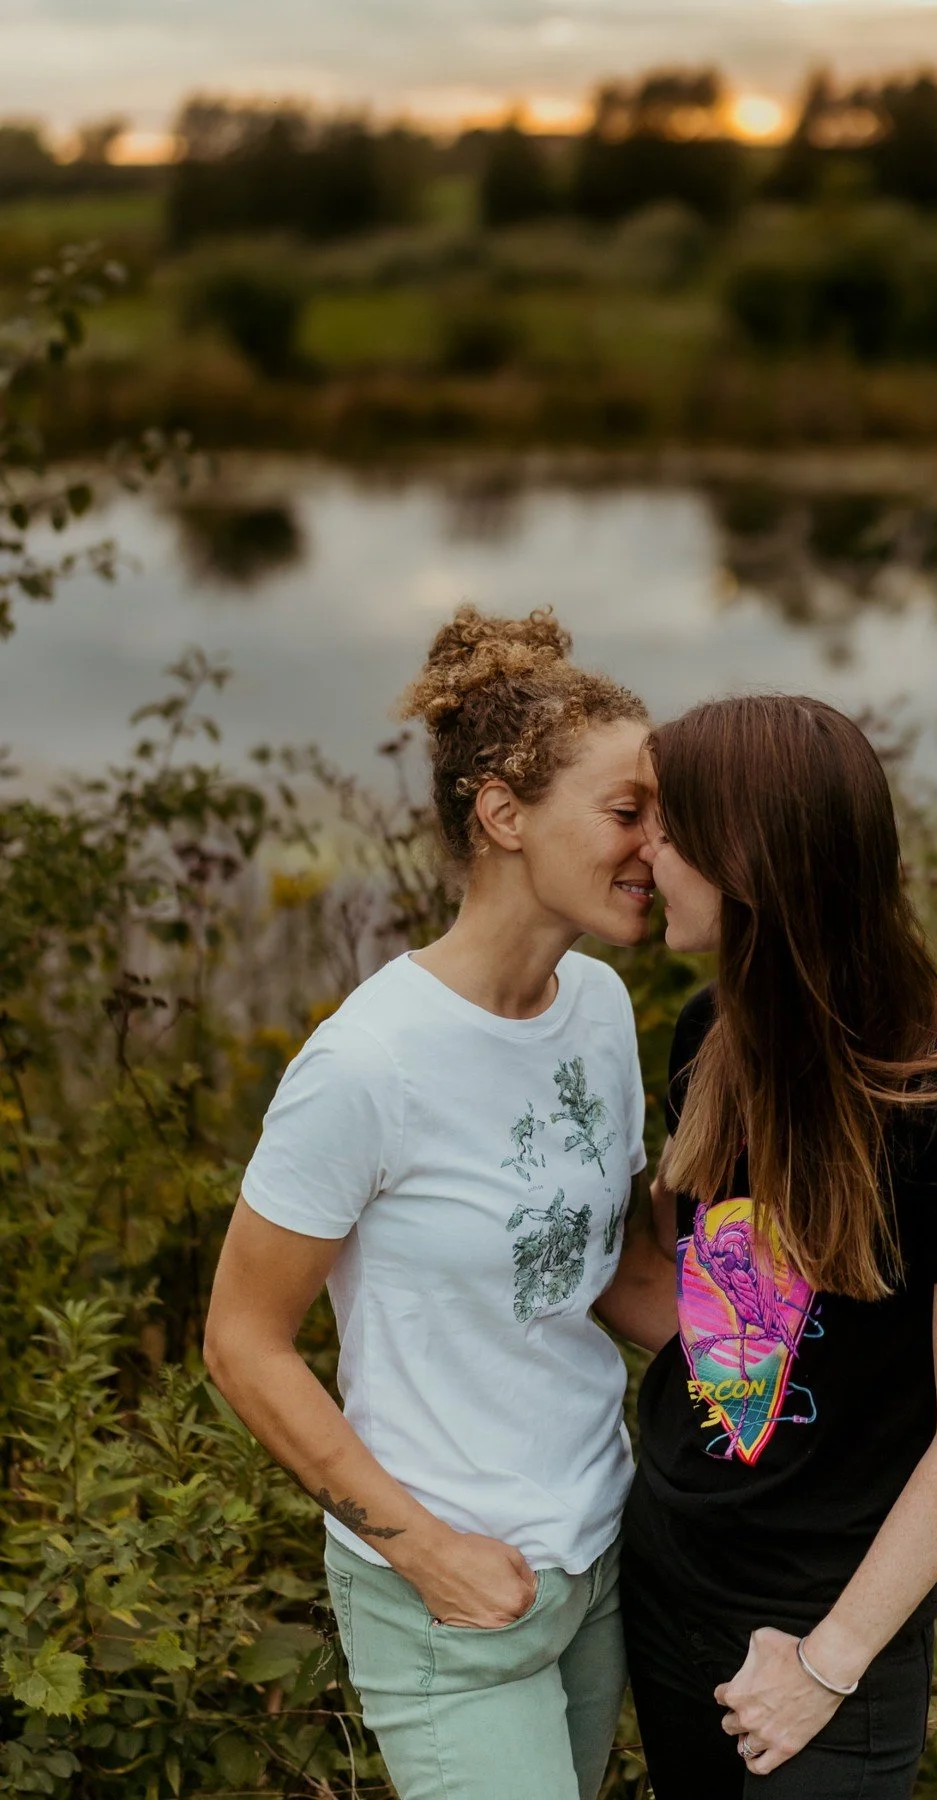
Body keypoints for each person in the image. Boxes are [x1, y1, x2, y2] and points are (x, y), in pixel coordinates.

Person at [205, 607, 676, 1800]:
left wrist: (793, 1377)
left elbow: (608, 1269)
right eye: (629, 812)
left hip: (598, 1552)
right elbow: (243, 1343)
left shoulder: (604, 1012)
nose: (659, 846)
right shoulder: (368, 1063)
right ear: (504, 812)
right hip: (448, 1596)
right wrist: (424, 1552)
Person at [623, 694, 937, 1799]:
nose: (645, 847)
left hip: (827, 1625)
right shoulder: (705, 1040)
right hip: (668, 1575)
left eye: (669, 823)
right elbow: (723, 1319)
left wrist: (825, 1665)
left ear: (747, 857)